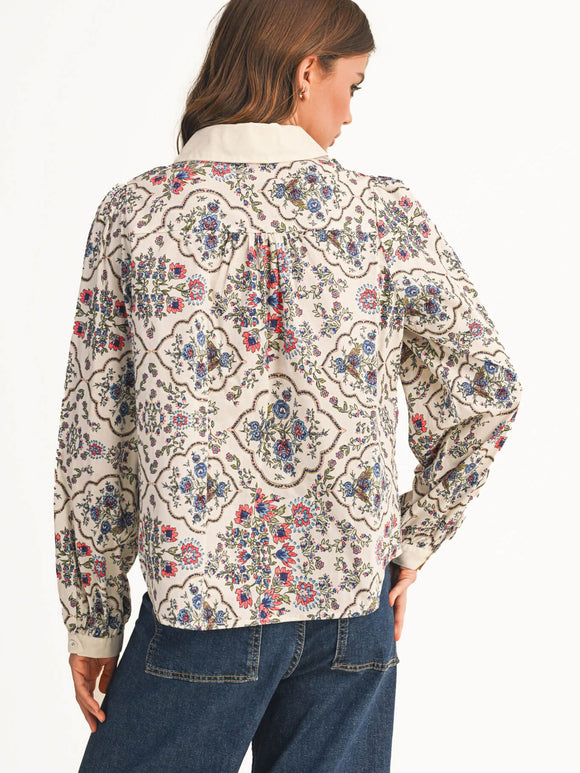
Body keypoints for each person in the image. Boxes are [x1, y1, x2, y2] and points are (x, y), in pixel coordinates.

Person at [53, 1, 523, 770]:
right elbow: (487, 386)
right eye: (352, 86)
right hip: (352, 606)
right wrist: (414, 538)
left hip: (203, 601)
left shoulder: (138, 214)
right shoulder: (383, 214)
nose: (349, 113)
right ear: (308, 71)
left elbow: (95, 435)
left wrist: (92, 618)